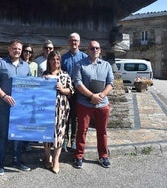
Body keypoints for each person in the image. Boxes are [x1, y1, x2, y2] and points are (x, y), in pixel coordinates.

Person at [0, 39, 32, 176]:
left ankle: (17, 160)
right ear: (9, 49)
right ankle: (0, 164)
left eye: (19, 49)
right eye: (15, 48)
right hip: (6, 106)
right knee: (3, 135)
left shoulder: (26, 66)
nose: (17, 51)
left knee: (18, 135)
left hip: (21, 108)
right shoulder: (0, 64)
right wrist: (3, 95)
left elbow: (31, 84)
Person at [72, 40, 114, 169]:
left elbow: (111, 83)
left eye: (97, 48)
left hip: (102, 104)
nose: (94, 50)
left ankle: (103, 156)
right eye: (92, 48)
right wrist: (91, 96)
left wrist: (100, 96)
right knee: (82, 130)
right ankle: (79, 156)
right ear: (87, 50)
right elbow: (78, 83)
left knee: (102, 131)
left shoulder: (106, 65)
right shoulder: (80, 65)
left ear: (100, 50)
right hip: (85, 103)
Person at [42, 50, 74, 174]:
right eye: (53, 59)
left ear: (60, 61)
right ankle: (47, 156)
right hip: (46, 109)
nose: (55, 61)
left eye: (57, 59)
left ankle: (56, 160)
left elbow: (71, 91)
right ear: (49, 61)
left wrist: (62, 89)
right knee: (46, 133)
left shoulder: (65, 75)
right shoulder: (44, 75)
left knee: (59, 134)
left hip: (61, 109)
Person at [61, 32, 88, 152]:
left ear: (79, 42)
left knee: (76, 118)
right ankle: (64, 140)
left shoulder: (84, 57)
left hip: (79, 92)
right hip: (66, 92)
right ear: (68, 42)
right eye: (72, 40)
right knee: (66, 116)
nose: (74, 42)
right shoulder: (63, 58)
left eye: (76, 40)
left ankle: (73, 141)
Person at [21, 44, 38, 151]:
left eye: (30, 52)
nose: (28, 53)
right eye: (26, 51)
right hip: (20, 94)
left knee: (29, 120)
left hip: (31, 94)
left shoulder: (34, 65)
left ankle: (27, 143)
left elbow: (36, 79)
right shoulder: (19, 63)